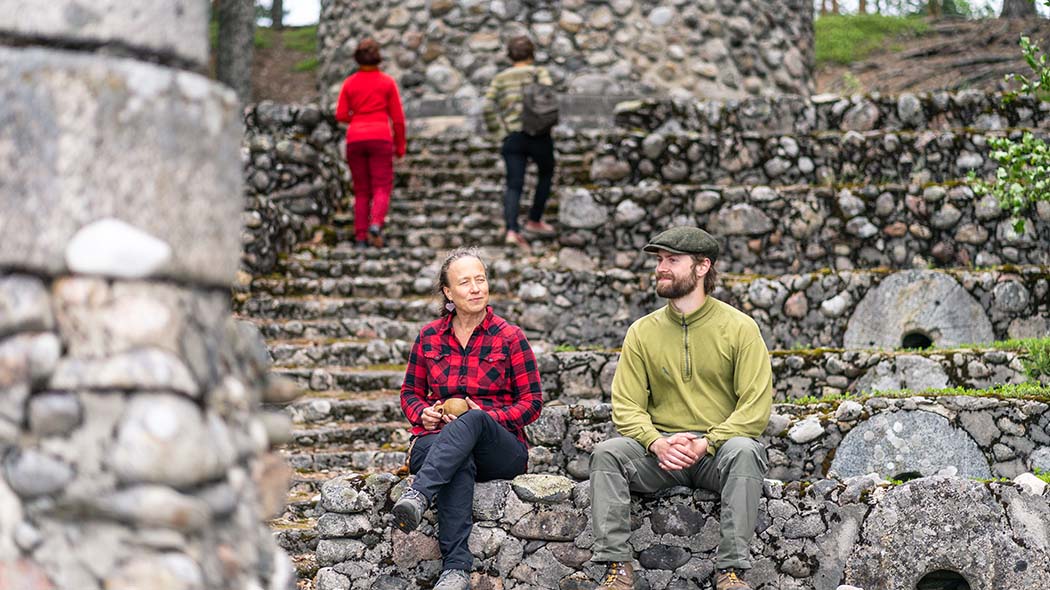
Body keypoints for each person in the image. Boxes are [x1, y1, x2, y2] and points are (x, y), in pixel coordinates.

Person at [588, 227, 773, 590]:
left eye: (672, 260)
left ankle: (731, 571)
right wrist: (655, 442)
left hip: (715, 455)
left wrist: (709, 442)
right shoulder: (642, 332)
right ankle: (617, 569)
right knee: (607, 454)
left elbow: (754, 408)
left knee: (746, 451)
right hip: (659, 456)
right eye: (659, 261)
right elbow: (626, 405)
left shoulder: (740, 328)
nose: (661, 268)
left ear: (703, 266)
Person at [392, 247, 544, 590]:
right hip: (439, 443)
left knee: (472, 423)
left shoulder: (510, 337)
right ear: (448, 292)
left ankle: (419, 494)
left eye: (481, 279)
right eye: (465, 282)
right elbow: (409, 394)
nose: (476, 288)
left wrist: (488, 416)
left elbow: (533, 402)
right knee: (457, 456)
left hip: (500, 447)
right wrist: (423, 413)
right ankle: (456, 570)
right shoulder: (429, 336)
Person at [482, 35, 557, 253]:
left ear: (510, 55)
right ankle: (534, 219)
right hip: (539, 133)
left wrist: (499, 131)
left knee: (514, 184)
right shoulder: (538, 73)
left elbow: (487, 107)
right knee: (546, 173)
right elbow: (548, 95)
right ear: (532, 54)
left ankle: (511, 230)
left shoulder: (501, 78)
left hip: (513, 136)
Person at [334, 38, 406, 249]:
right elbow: (398, 119)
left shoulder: (349, 83)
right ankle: (375, 223)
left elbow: (340, 114)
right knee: (382, 186)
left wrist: (357, 119)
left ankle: (360, 238)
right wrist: (400, 146)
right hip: (381, 137)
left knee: (361, 190)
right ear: (378, 58)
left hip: (355, 139)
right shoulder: (386, 82)